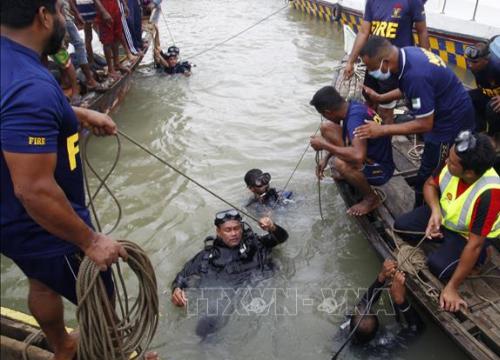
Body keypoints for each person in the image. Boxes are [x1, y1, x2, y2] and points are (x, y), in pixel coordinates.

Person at [0, 1, 130, 359]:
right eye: (59, 11)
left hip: (9, 220)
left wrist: (74, 113)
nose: (63, 19)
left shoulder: (11, 66)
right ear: (43, 16)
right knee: (99, 290)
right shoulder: (31, 85)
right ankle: (112, 352)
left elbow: (10, 113)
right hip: (42, 222)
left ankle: (62, 346)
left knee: (40, 281)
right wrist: (89, 240)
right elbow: (34, 190)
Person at [354, 36, 475, 207]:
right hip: (446, 106)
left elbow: (425, 124)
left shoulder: (416, 76)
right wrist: (381, 97)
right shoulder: (407, 54)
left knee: (429, 171)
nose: (371, 72)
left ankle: (423, 214)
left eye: (372, 68)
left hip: (450, 121)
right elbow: (406, 88)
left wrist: (382, 130)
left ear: (385, 62)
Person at [393, 131, 499, 312]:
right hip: (446, 219)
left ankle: (484, 256)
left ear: (469, 172)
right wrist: (435, 211)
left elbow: (474, 244)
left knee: (438, 268)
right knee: (401, 227)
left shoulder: (490, 193)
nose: (446, 162)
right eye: (449, 158)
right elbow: (430, 185)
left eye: (452, 162)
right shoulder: (454, 159)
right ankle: (444, 240)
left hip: (469, 237)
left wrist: (451, 288)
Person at [171, 209, 288, 307]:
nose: (234, 233)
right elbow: (183, 275)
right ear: (219, 232)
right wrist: (177, 289)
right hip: (231, 298)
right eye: (228, 230)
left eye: (237, 228)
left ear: (241, 228)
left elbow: (281, 238)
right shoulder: (208, 255)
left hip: (267, 289)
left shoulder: (255, 243)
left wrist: (272, 227)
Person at [309, 86, 395, 216]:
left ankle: (371, 199)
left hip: (381, 169)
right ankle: (350, 174)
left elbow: (358, 156)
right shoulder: (352, 106)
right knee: (326, 128)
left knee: (341, 163)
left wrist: (324, 144)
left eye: (323, 114)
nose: (325, 117)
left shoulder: (354, 120)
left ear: (328, 112)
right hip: (370, 152)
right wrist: (325, 158)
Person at [344, 0, 429, 124]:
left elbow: (422, 31)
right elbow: (363, 32)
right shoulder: (371, 2)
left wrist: (424, 62)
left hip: (393, 64)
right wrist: (350, 61)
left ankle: (385, 139)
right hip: (373, 61)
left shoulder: (413, 2)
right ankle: (374, 130)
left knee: (386, 110)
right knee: (369, 99)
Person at [344, 260, 424, 346]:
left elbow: (365, 301)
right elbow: (417, 330)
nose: (363, 306)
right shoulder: (381, 346)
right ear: (377, 332)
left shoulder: (346, 325)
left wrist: (381, 278)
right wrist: (401, 300)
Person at [465, 41, 500, 143]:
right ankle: (480, 129)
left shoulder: (497, 67)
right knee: (468, 97)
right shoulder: (474, 67)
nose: (470, 65)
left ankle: (494, 137)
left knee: (493, 106)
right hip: (489, 94)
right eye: (469, 61)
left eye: (475, 62)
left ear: (486, 60)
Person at [95, 0, 131, 80]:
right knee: (107, 41)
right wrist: (103, 11)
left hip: (115, 7)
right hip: (104, 8)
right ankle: (111, 69)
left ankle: (117, 63)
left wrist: (124, 4)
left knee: (117, 36)